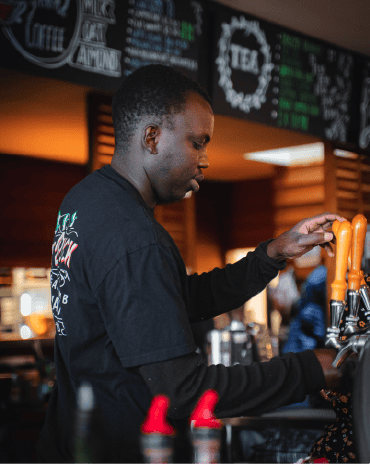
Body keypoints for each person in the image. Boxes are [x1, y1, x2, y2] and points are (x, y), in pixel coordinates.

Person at [36, 64, 347, 463]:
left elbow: (171, 299)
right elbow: (183, 392)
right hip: (123, 450)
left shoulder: (84, 201)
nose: (205, 160)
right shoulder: (136, 237)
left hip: (73, 440)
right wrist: (310, 369)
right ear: (152, 137)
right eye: (197, 143)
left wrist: (272, 255)